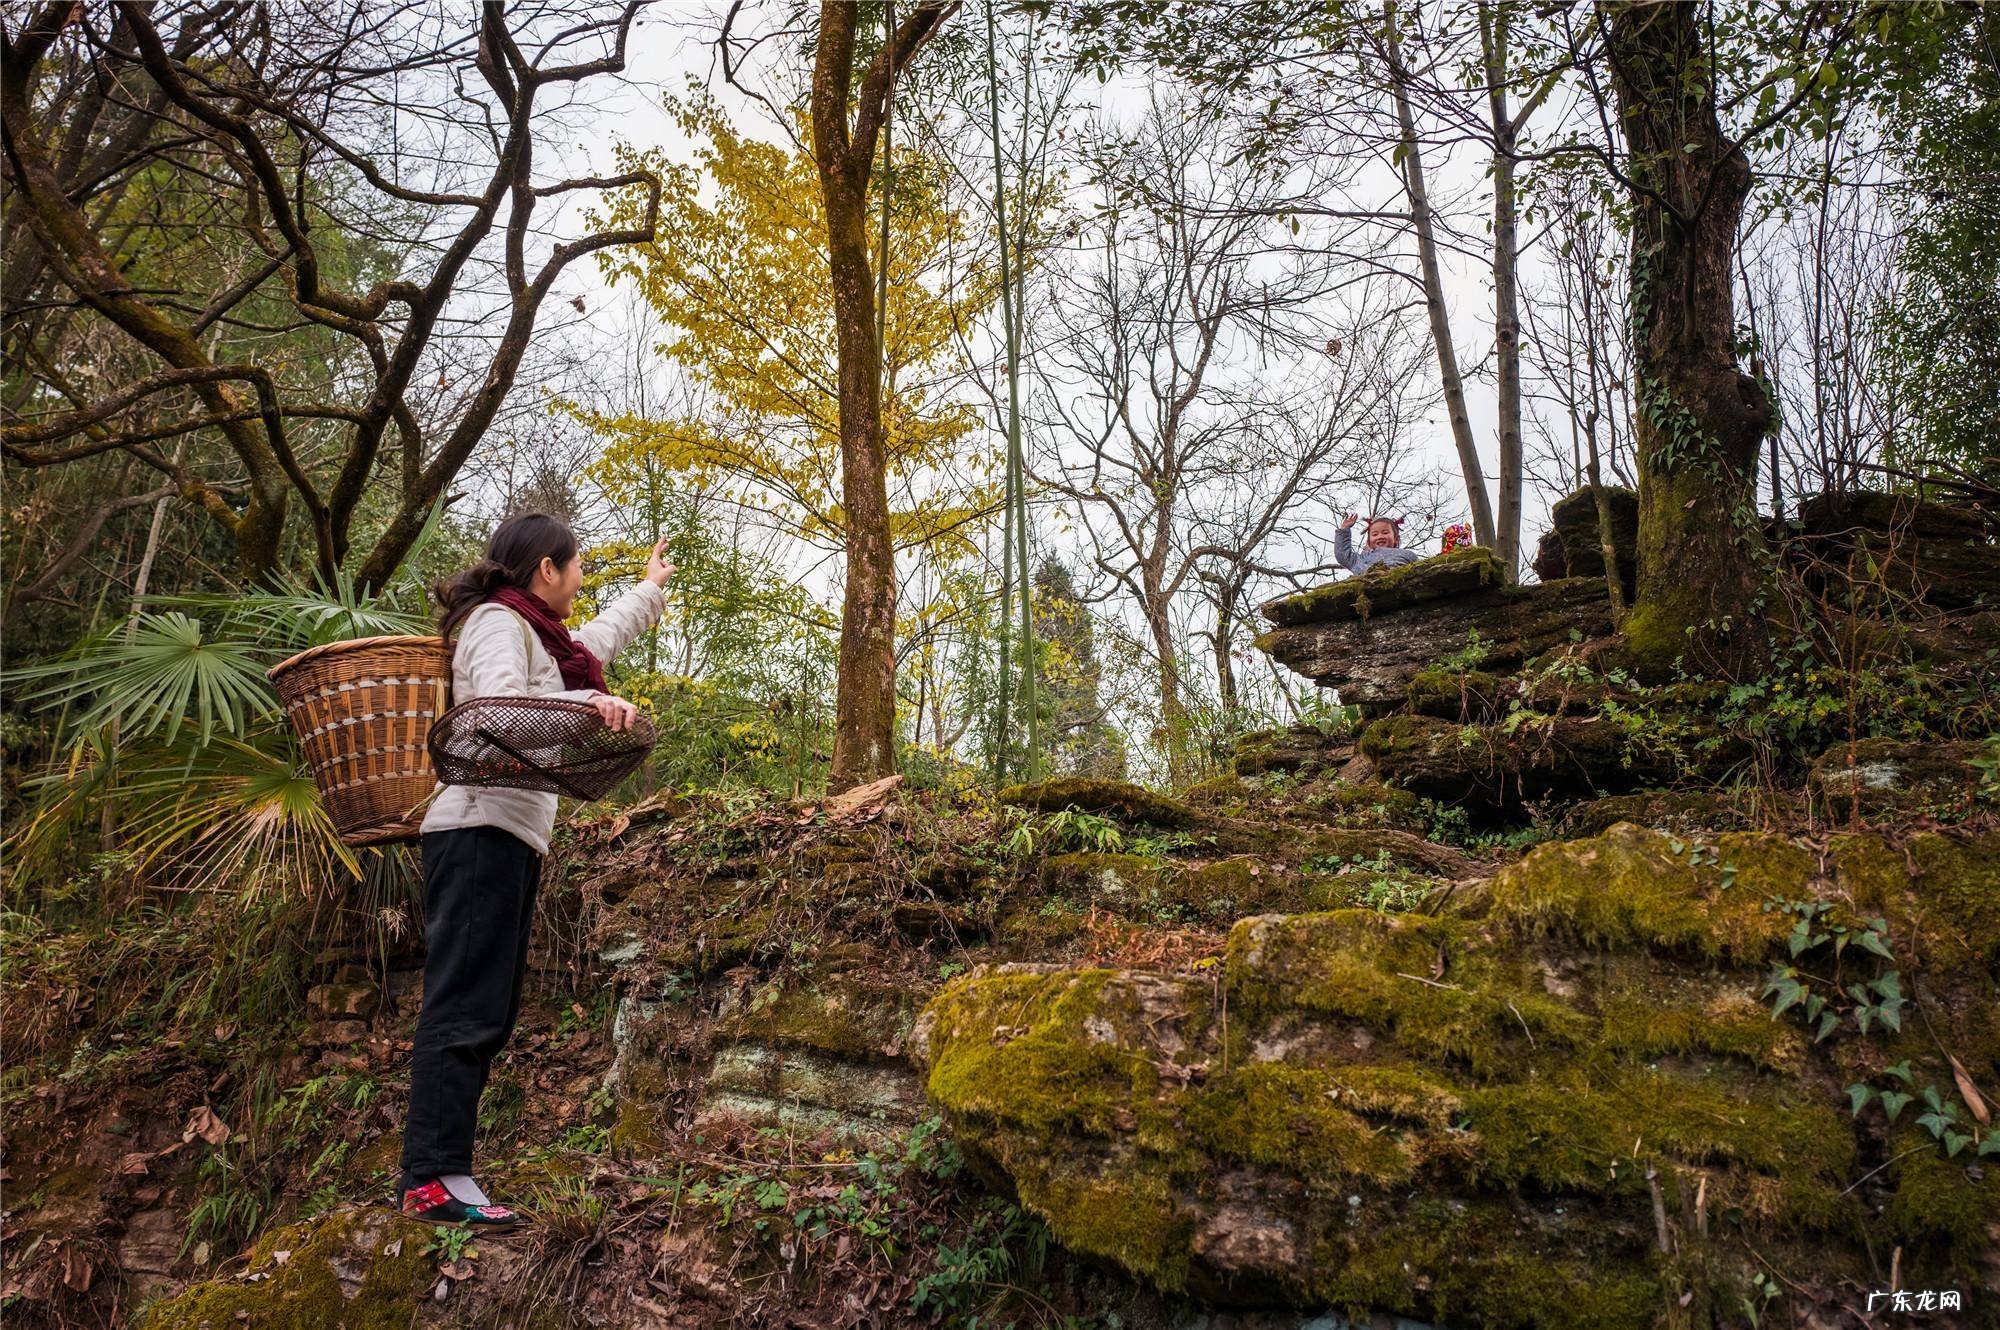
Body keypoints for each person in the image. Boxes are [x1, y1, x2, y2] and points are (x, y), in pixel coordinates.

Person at [398, 512, 674, 1226]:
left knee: (487, 1007)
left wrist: (648, 590)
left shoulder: (541, 637)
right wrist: (589, 703)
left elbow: (593, 644)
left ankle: (446, 1170)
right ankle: (431, 1178)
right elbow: (497, 713)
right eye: (576, 565)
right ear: (545, 569)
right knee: (462, 1003)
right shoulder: (497, 623)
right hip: (476, 830)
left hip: (511, 837)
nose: (582, 580)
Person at [1335, 512, 1421, 575]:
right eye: (1375, 534)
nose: (1380, 536)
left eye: (1385, 532)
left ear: (1396, 539)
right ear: (1368, 542)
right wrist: (1344, 530)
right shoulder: (1360, 559)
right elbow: (1342, 555)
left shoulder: (1407, 555)